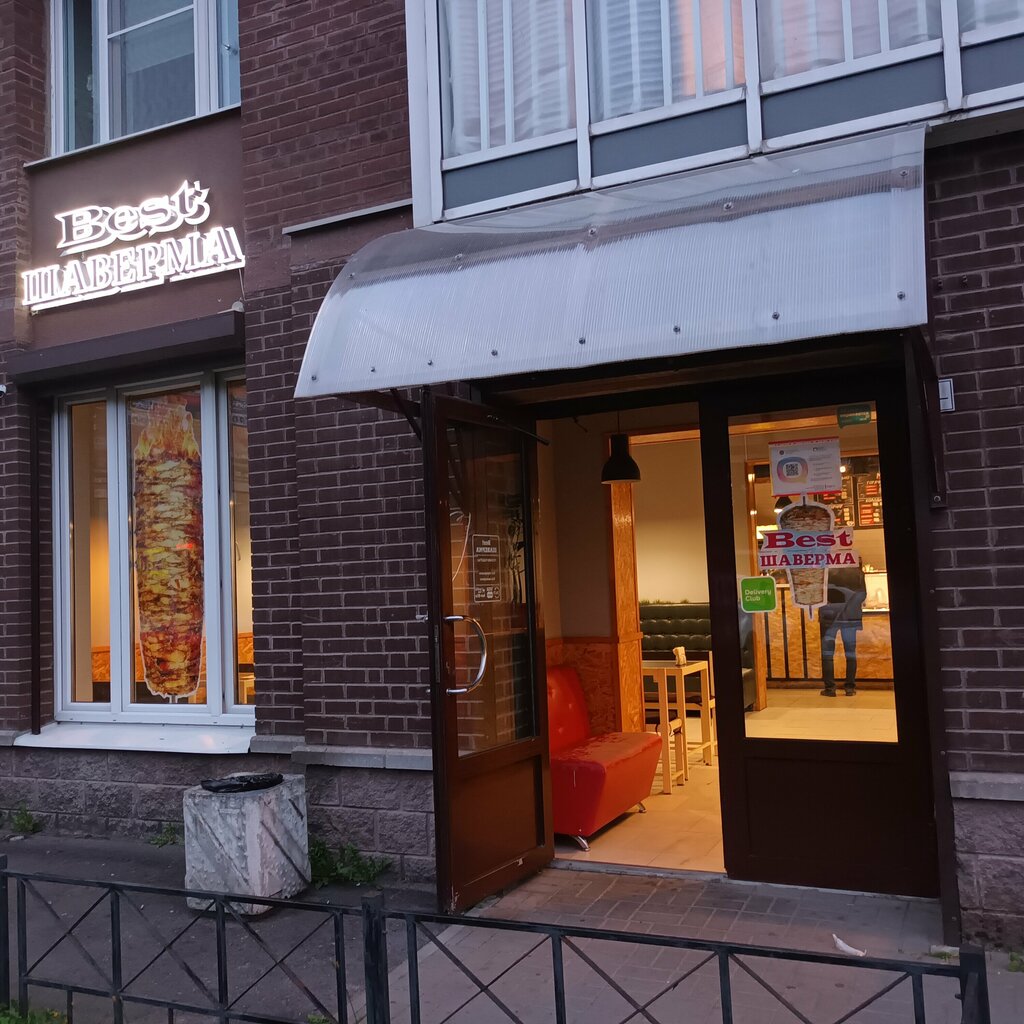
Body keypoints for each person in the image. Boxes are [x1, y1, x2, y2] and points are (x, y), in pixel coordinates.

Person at [818, 562, 867, 697]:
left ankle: (830, 689)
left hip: (829, 617)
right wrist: (848, 607)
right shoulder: (857, 572)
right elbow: (862, 595)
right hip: (850, 618)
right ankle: (850, 688)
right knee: (850, 653)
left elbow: (819, 593)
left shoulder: (826, 570)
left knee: (827, 654)